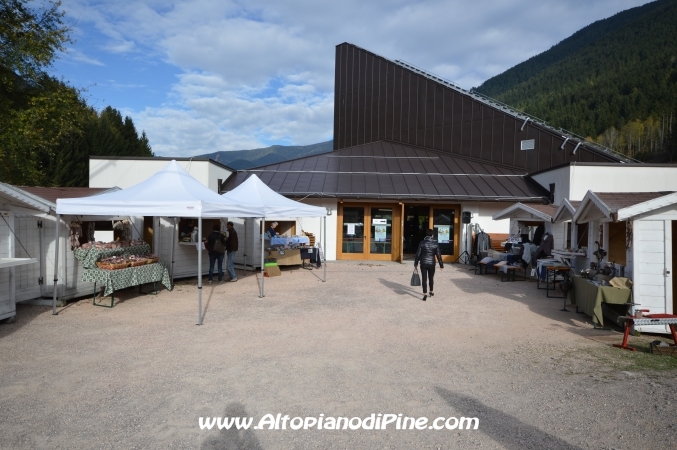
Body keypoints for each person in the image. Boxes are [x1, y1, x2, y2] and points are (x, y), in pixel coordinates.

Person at [414, 228, 444, 301]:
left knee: (424, 279)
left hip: (423, 263)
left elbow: (418, 254)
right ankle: (431, 291)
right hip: (431, 263)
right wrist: (441, 265)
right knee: (431, 278)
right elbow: (438, 255)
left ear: (426, 235)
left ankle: (425, 294)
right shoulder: (435, 243)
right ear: (432, 235)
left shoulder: (422, 243)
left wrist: (416, 263)